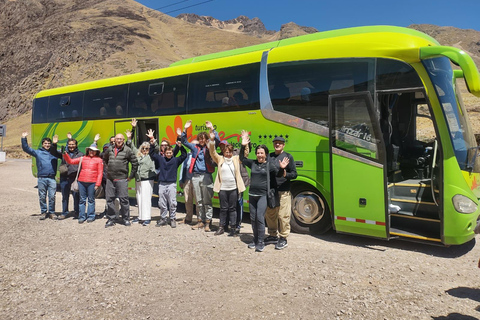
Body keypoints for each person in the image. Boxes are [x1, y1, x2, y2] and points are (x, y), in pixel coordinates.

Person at [239, 131, 289, 252]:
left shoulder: (270, 165)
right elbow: (241, 158)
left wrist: (282, 169)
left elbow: (279, 175)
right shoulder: (253, 163)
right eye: (258, 153)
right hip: (252, 195)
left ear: (266, 154)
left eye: (261, 153)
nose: (259, 155)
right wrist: (243, 145)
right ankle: (255, 240)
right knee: (252, 218)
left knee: (259, 217)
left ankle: (260, 242)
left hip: (262, 196)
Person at [180, 121, 216, 232]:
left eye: (203, 138)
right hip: (195, 176)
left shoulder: (209, 147)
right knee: (199, 201)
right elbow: (184, 141)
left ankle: (208, 223)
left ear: (206, 139)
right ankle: (200, 221)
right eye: (199, 138)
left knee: (207, 200)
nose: (201, 140)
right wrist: (185, 129)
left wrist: (211, 129)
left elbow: (215, 141)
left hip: (206, 176)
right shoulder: (195, 148)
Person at [208, 132, 245, 236]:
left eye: (230, 152)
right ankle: (221, 227)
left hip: (233, 188)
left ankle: (233, 228)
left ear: (232, 152)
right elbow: (212, 152)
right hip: (223, 188)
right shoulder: (220, 159)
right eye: (226, 152)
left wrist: (244, 144)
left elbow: (244, 155)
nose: (228, 154)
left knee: (233, 209)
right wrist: (211, 141)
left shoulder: (236, 159)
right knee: (223, 209)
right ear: (223, 152)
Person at [264, 136, 298, 250]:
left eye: (279, 143)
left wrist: (285, 174)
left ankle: (283, 238)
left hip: (284, 191)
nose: (277, 145)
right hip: (272, 191)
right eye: (275, 143)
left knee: (283, 215)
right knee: (270, 214)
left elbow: (294, 174)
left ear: (283, 145)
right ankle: (273, 235)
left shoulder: (288, 157)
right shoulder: (270, 156)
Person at [148, 131, 187, 228]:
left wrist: (181, 146)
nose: (169, 154)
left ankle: (172, 218)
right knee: (162, 202)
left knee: (173, 202)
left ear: (172, 153)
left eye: (170, 152)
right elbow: (152, 154)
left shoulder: (175, 160)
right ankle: (163, 218)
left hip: (171, 184)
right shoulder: (161, 159)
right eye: (167, 153)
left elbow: (184, 155)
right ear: (164, 153)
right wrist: (152, 143)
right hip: (162, 183)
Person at [21, 131, 62, 220]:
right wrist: (24, 139)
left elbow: (65, 155)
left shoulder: (54, 153)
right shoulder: (38, 152)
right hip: (42, 178)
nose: (47, 145)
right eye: (45, 143)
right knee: (42, 196)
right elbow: (26, 149)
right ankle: (43, 212)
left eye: (49, 143)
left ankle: (51, 212)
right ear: (42, 144)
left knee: (52, 197)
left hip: (52, 179)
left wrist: (55, 145)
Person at [103, 133, 139, 227]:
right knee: (110, 199)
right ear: (114, 140)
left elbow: (135, 163)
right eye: (117, 139)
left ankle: (125, 219)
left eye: (121, 139)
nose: (119, 140)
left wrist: (131, 176)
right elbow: (105, 159)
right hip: (110, 179)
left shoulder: (127, 150)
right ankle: (111, 218)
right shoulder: (109, 149)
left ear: (123, 140)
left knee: (124, 200)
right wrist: (108, 169)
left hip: (122, 178)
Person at [63, 141, 104, 223]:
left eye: (93, 150)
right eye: (90, 150)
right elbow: (71, 161)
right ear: (88, 151)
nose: (91, 152)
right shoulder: (83, 158)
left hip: (92, 182)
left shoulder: (99, 160)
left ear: (96, 152)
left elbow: (100, 173)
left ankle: (91, 216)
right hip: (81, 181)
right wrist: (65, 154)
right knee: (82, 200)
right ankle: (81, 216)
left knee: (91, 200)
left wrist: (98, 184)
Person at [126, 119, 157, 226]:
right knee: (139, 198)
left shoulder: (151, 155)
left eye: (147, 148)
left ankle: (147, 218)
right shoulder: (138, 154)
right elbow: (130, 145)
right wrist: (132, 130)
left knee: (146, 198)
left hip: (147, 179)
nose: (145, 150)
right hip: (138, 179)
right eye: (143, 148)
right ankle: (140, 217)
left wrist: (152, 139)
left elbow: (156, 148)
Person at [50, 132, 83, 220]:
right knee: (65, 196)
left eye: (73, 144)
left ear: (76, 145)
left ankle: (77, 211)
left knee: (76, 196)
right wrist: (54, 144)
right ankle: (64, 212)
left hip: (75, 178)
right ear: (67, 145)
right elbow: (53, 152)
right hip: (64, 177)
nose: (71, 146)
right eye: (70, 144)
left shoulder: (80, 154)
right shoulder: (63, 153)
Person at [178, 146, 199, 225]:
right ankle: (188, 218)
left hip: (196, 180)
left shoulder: (199, 154)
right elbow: (183, 167)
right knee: (187, 200)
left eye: (195, 145)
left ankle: (199, 219)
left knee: (197, 200)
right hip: (187, 180)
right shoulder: (187, 155)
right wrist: (181, 180)